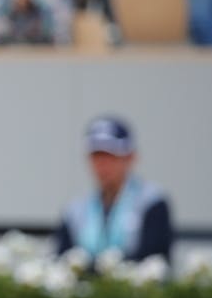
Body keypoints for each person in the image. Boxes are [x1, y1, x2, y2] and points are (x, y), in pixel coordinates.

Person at [55, 115, 175, 269]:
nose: (102, 165)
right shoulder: (75, 210)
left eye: (111, 156)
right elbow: (62, 262)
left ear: (131, 157)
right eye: (96, 156)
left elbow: (154, 261)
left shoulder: (151, 202)